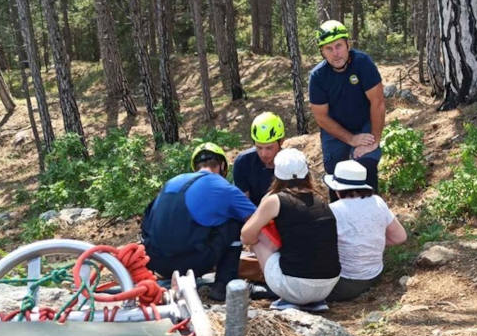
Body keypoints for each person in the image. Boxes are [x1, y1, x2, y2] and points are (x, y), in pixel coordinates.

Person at [141, 142, 256, 301]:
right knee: (233, 221)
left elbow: (148, 220)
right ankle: (223, 285)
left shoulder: (173, 181)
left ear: (195, 166)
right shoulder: (222, 186)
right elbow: (257, 218)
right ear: (222, 165)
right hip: (189, 264)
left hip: (155, 261)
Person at [241, 148, 340, 311]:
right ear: (306, 173)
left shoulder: (275, 200)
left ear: (277, 174)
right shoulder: (321, 200)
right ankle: (311, 300)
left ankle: (288, 296)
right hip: (328, 286)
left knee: (256, 234)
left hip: (297, 287)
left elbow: (246, 235)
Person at [308, 20, 386, 198]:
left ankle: (373, 212)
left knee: (366, 164)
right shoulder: (318, 77)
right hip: (335, 128)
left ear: (347, 45)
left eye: (339, 46)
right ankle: (339, 219)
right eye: (329, 48)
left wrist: (374, 140)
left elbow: (378, 102)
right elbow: (321, 118)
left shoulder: (363, 63)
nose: (335, 53)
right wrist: (351, 139)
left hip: (365, 122)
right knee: (336, 171)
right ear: (322, 52)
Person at [323, 160, 407, 302]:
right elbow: (400, 237)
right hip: (374, 274)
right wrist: (371, 240)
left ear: (337, 189)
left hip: (345, 282)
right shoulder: (378, 201)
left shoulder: (334, 210)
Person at [233, 112, 285, 206]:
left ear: (281, 142)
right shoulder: (243, 163)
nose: (263, 154)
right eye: (259, 147)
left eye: (269, 148)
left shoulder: (291, 164)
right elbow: (244, 205)